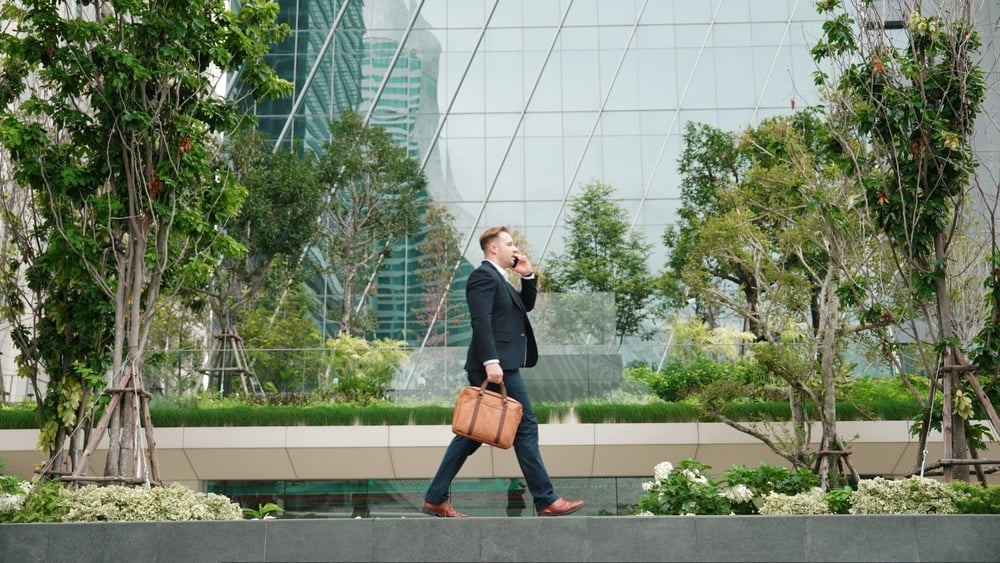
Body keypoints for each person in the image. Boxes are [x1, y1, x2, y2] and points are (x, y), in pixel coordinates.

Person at [421, 226, 585, 518]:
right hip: (495, 367)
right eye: (509, 244)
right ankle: (545, 499)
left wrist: (528, 276)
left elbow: (525, 306)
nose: (515, 248)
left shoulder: (500, 280)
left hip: (499, 365)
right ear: (493, 248)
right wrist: (491, 361)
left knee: (472, 434)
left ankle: (435, 497)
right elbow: (480, 321)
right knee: (526, 426)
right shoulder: (482, 276)